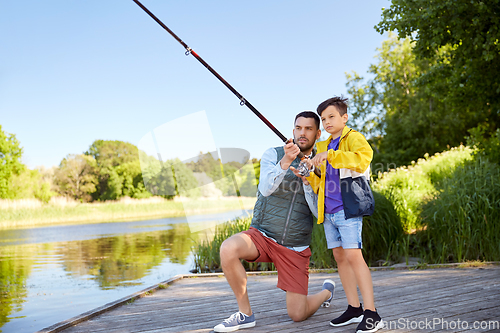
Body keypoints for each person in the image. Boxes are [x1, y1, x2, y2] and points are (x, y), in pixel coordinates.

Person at [213, 111, 335, 333]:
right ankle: (245, 315)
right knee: (228, 248)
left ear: (318, 133)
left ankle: (326, 292)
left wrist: (309, 181)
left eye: (308, 129)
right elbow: (265, 189)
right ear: (293, 131)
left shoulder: (323, 163)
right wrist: (286, 162)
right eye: (298, 128)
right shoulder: (273, 153)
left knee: (298, 315)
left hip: (295, 246)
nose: (302, 133)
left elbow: (320, 212)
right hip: (262, 235)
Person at [305, 96, 384, 333]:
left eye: (331, 117)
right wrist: (308, 175)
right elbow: (322, 181)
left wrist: (331, 156)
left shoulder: (353, 138)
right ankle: (354, 308)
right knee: (340, 258)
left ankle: (372, 313)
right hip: (328, 212)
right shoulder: (323, 145)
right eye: (323, 119)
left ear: (344, 117)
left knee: (354, 257)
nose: (327, 122)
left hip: (347, 210)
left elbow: (362, 160)